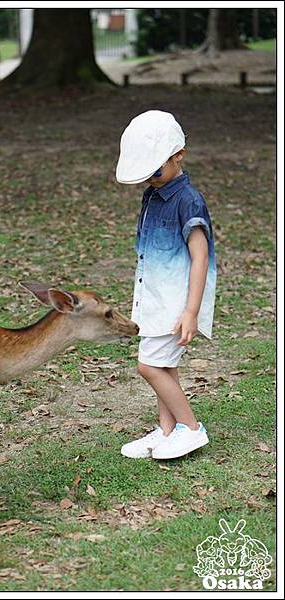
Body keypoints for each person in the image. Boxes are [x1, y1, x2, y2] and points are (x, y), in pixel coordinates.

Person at [116, 110, 217, 460]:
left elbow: (200, 256)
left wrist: (191, 311)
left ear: (179, 155)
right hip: (154, 299)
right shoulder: (153, 195)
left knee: (148, 366)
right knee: (165, 367)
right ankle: (167, 430)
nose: (152, 179)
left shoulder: (188, 200)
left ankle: (190, 428)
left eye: (155, 171)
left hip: (176, 303)